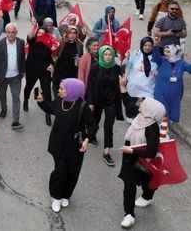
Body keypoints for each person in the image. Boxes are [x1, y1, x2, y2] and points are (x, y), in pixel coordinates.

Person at [35, 78, 92, 213]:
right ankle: (56, 196)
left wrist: (87, 139)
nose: (58, 91)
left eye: (62, 89)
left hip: (75, 146)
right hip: (58, 144)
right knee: (60, 171)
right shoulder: (60, 101)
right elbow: (50, 108)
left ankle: (66, 194)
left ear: (72, 91)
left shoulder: (82, 106)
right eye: (59, 88)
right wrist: (41, 102)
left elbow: (92, 124)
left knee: (72, 172)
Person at [119, 98, 167, 229]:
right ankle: (129, 214)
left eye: (143, 103)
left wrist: (132, 150)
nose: (140, 104)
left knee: (147, 182)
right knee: (129, 185)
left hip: (143, 162)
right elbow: (128, 104)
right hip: (130, 159)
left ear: (150, 110)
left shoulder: (151, 128)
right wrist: (123, 88)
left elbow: (151, 152)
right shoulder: (139, 118)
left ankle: (147, 196)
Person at [86, 45, 123, 166]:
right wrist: (90, 102)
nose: (108, 57)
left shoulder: (117, 68)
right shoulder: (95, 67)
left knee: (109, 126)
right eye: (105, 54)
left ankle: (106, 151)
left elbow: (120, 85)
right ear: (102, 55)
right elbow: (90, 86)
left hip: (111, 102)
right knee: (94, 121)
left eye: (110, 54)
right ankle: (91, 136)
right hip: (97, 100)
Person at [151, 44, 191, 123]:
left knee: (172, 113)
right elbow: (155, 56)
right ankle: (162, 129)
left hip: (174, 94)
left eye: (168, 52)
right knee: (162, 111)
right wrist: (156, 45)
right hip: (161, 92)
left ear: (174, 52)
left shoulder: (181, 63)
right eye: (165, 51)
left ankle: (165, 129)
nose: (165, 53)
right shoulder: (161, 60)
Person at [0, 23, 26, 131]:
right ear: (6, 33)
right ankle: (4, 109)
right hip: (3, 76)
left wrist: (23, 71)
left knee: (16, 97)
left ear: (16, 33)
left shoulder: (21, 42)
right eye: (9, 32)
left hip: (16, 76)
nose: (11, 34)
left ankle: (15, 121)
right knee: (2, 95)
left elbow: (22, 58)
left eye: (13, 32)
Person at [25, 26, 54, 123]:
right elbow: (29, 37)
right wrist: (34, 27)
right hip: (32, 70)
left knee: (47, 92)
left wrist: (52, 65)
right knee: (28, 87)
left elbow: (51, 57)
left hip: (44, 72)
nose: (40, 34)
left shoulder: (49, 45)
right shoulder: (33, 42)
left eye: (42, 33)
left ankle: (48, 113)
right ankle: (26, 100)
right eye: (39, 32)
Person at [124, 37, 158, 102]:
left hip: (148, 90)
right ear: (142, 45)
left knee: (146, 110)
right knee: (133, 110)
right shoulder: (136, 54)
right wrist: (127, 59)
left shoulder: (156, 57)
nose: (147, 47)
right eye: (145, 45)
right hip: (133, 89)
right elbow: (128, 66)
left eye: (150, 45)